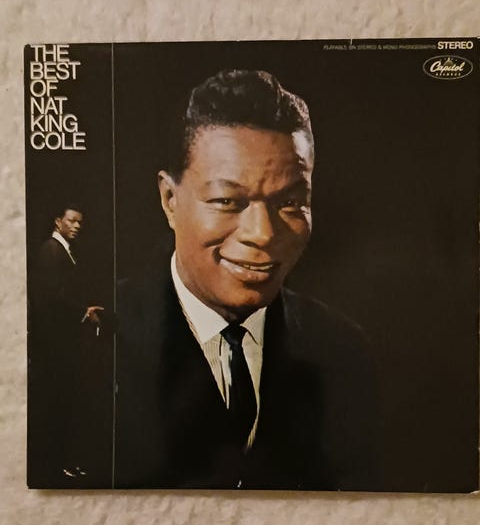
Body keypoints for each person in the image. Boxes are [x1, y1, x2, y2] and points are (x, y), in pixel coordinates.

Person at [115, 69, 377, 490]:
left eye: (290, 202)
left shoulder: (343, 352)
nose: (263, 234)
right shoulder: (93, 345)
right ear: (169, 200)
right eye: (227, 201)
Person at [28, 204, 104, 483]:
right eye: (72, 221)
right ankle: (57, 464)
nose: (77, 226)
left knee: (66, 402)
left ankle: (65, 462)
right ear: (58, 221)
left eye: (80, 222)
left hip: (63, 344)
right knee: (58, 403)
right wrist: (83, 312)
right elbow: (50, 297)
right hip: (55, 346)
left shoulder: (63, 250)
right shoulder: (51, 250)